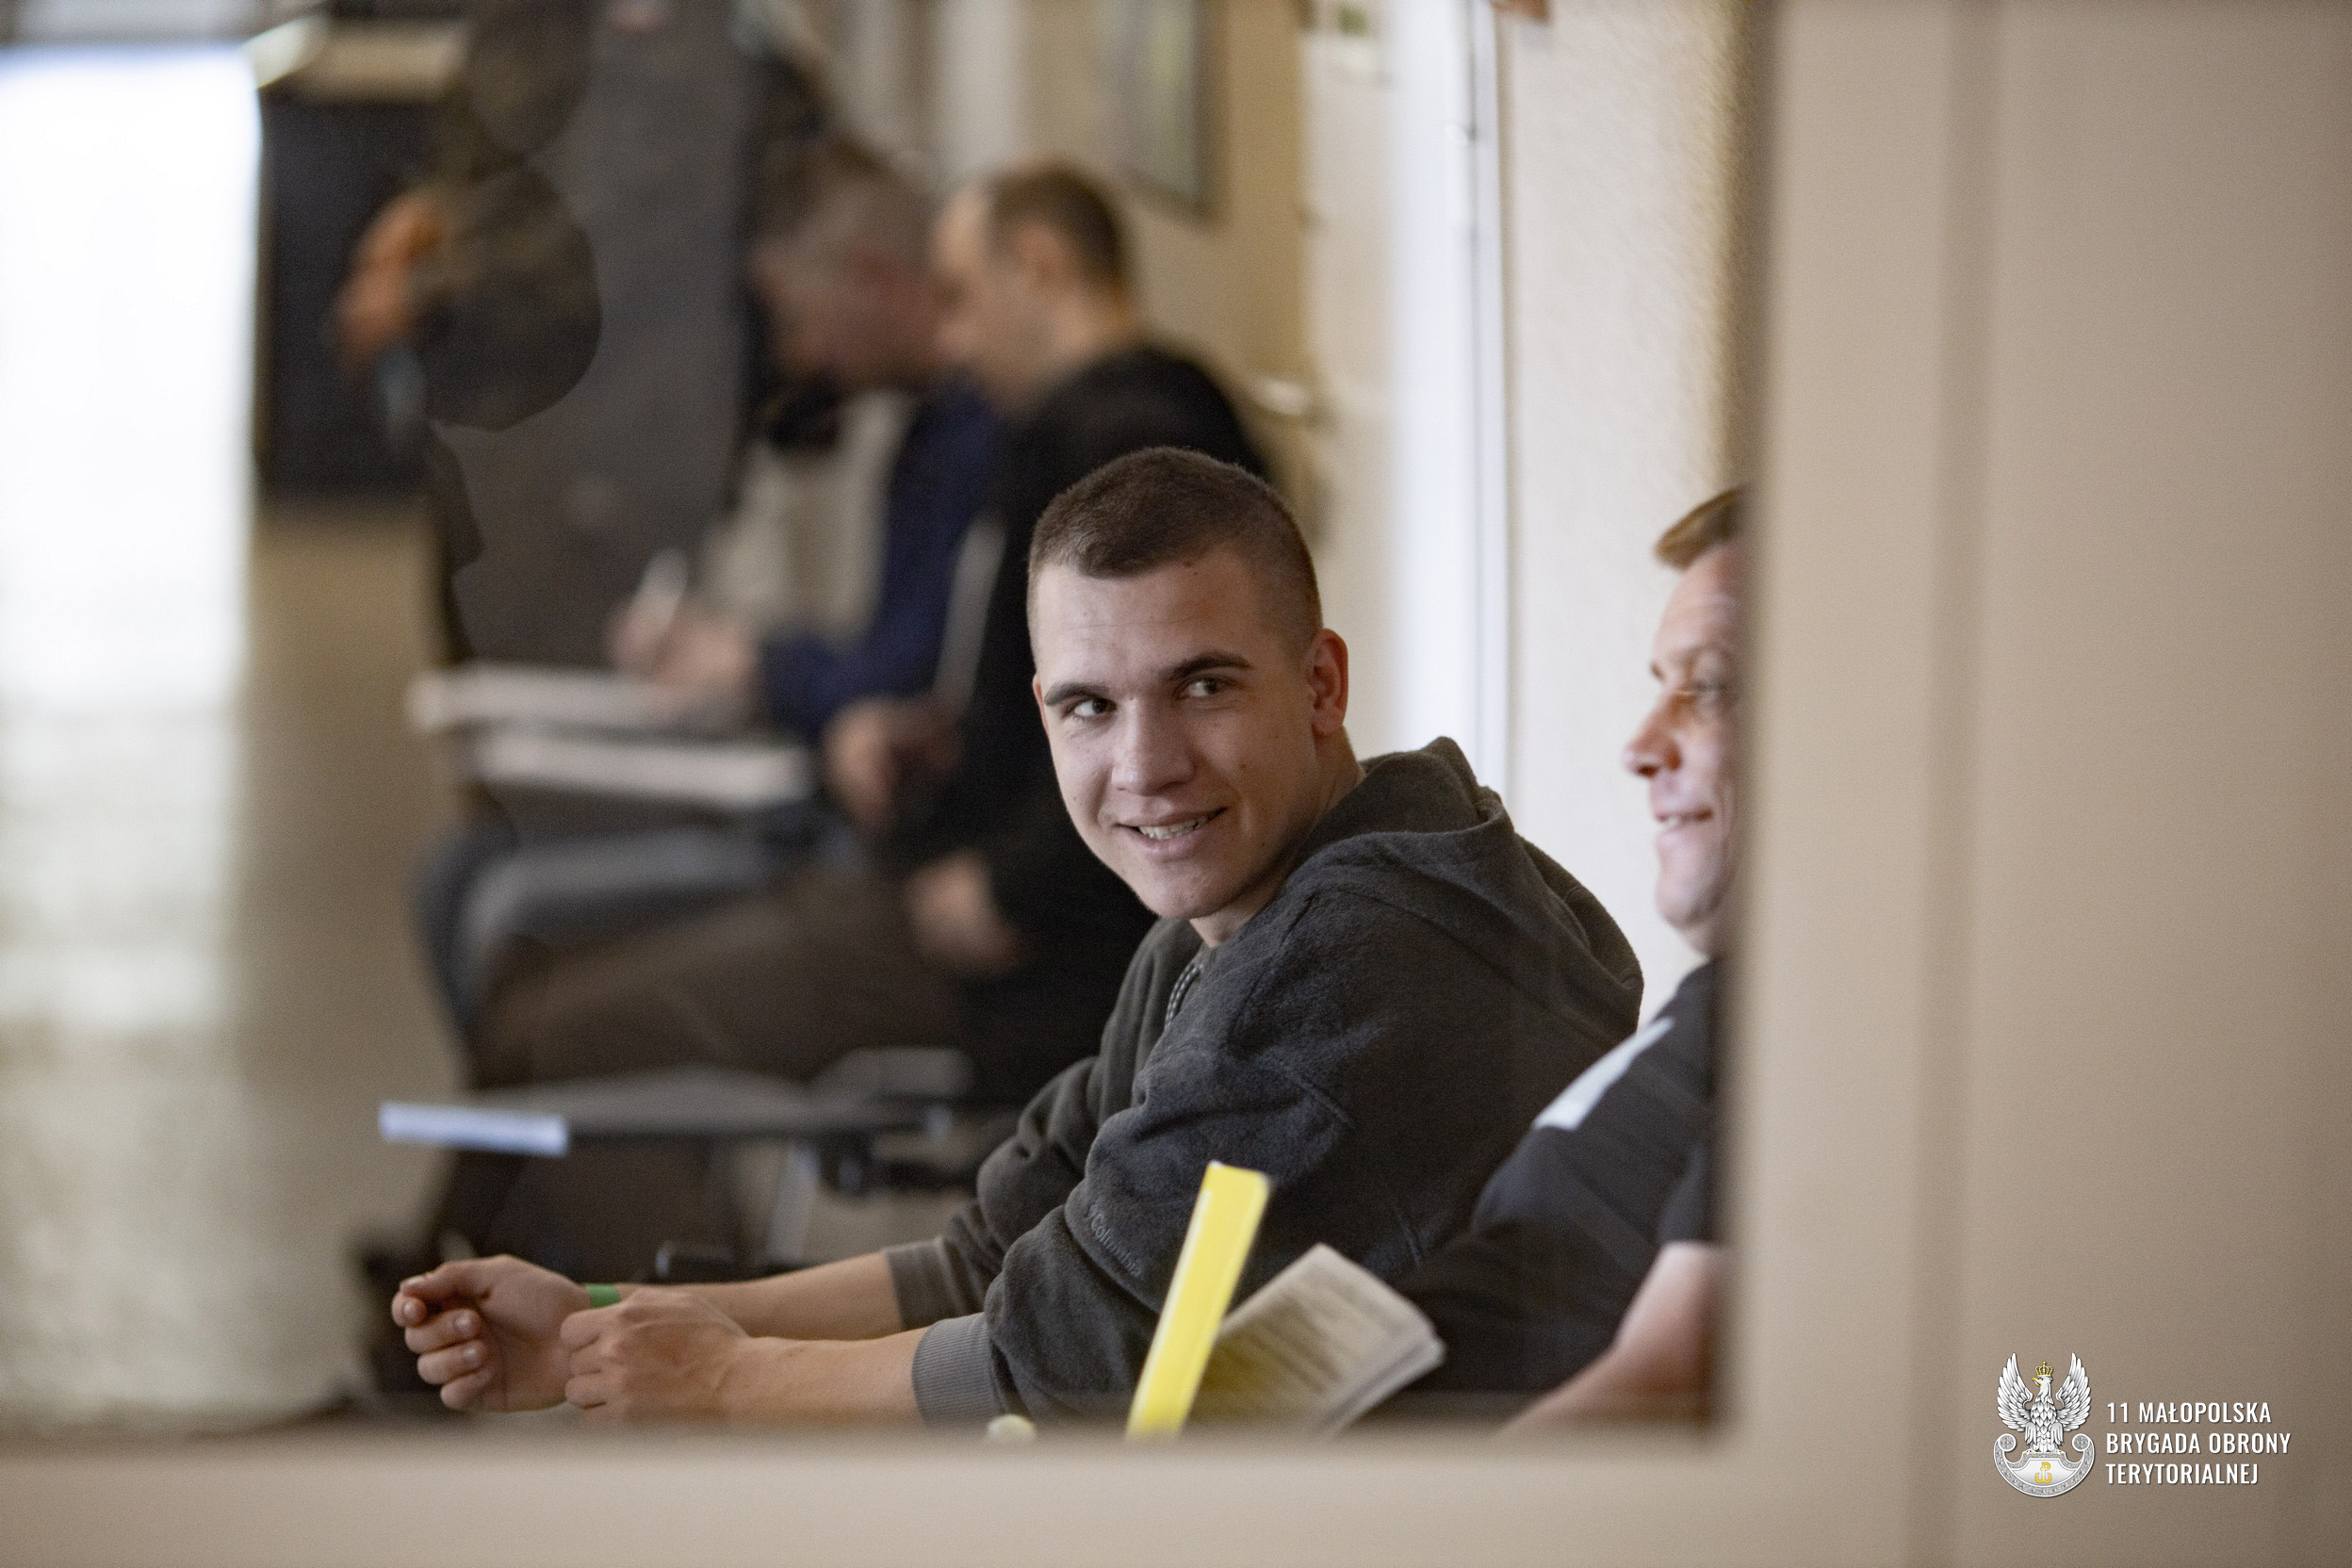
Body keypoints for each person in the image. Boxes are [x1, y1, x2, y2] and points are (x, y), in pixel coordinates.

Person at [390, 448, 1644, 1425]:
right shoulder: (1228, 922)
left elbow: (1060, 1367)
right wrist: (610, 1325)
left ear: (1321, 684)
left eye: (1204, 685)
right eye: (1092, 707)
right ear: (1043, 713)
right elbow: (994, 1260)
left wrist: (719, 1379)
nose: (1145, 766)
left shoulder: (1353, 963)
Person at [435, 164, 1270, 1275]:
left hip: (1012, 946)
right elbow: (1055, 705)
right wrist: (938, 739)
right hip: (937, 869)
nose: (953, 339)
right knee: (535, 994)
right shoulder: (1068, 435)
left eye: (963, 297)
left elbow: (1164, 729)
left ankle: (703, 1351)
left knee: (562, 1037)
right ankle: (521, 1307)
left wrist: (1009, 882)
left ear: (1043, 268)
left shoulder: (1129, 446)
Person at [410, 139, 1000, 1037]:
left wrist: (757, 665)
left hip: (870, 845)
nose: (801, 354)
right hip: (831, 796)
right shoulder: (923, 433)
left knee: (505, 922)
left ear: (875, 277)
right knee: (456, 880)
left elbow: (909, 679)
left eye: (804, 316)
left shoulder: (979, 441)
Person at [1388, 486, 1742, 1422]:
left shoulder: (1822, 1022)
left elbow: (1671, 1382)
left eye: (1710, 685)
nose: (1640, 746)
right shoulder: (1727, 1004)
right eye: (1658, 683)